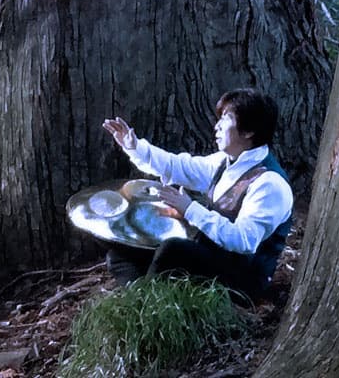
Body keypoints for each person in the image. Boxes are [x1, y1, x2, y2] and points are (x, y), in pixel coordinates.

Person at [100, 88, 293, 303]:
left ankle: (146, 313)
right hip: (212, 256)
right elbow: (177, 166)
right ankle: (142, 301)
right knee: (121, 254)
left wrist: (190, 209)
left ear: (249, 131)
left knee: (172, 250)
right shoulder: (224, 161)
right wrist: (134, 146)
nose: (216, 126)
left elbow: (243, 241)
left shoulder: (270, 183)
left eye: (226, 118)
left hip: (242, 281)